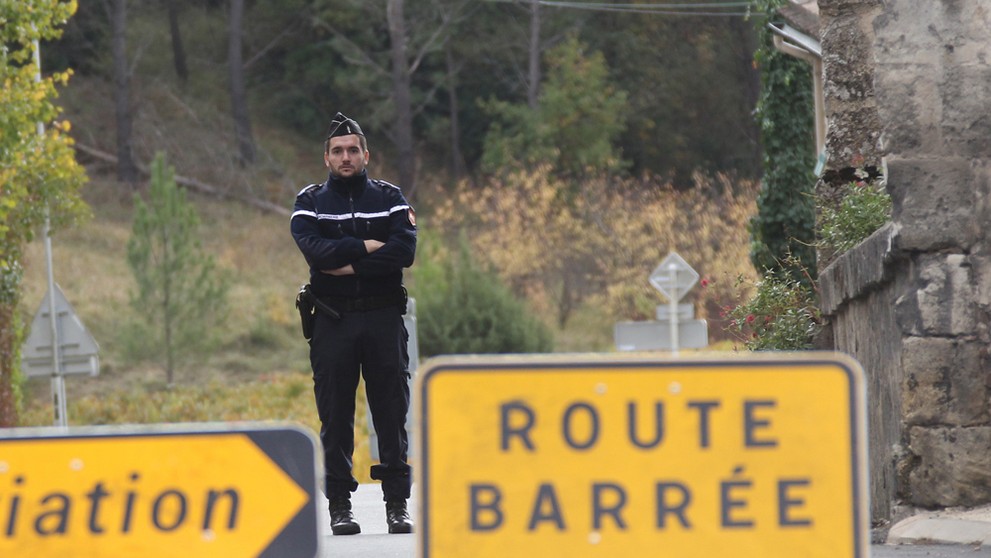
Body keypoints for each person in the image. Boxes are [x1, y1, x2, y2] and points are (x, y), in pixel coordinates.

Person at [290, 112, 416, 535]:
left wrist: (344, 261)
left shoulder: (390, 197)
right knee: (336, 416)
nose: (346, 157)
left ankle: (397, 505)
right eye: (338, 151)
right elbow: (316, 256)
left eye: (353, 150)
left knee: (392, 413)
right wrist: (365, 246)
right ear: (326, 157)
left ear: (366, 154)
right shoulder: (309, 203)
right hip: (333, 321)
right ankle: (340, 506)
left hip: (383, 318)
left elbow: (403, 253)